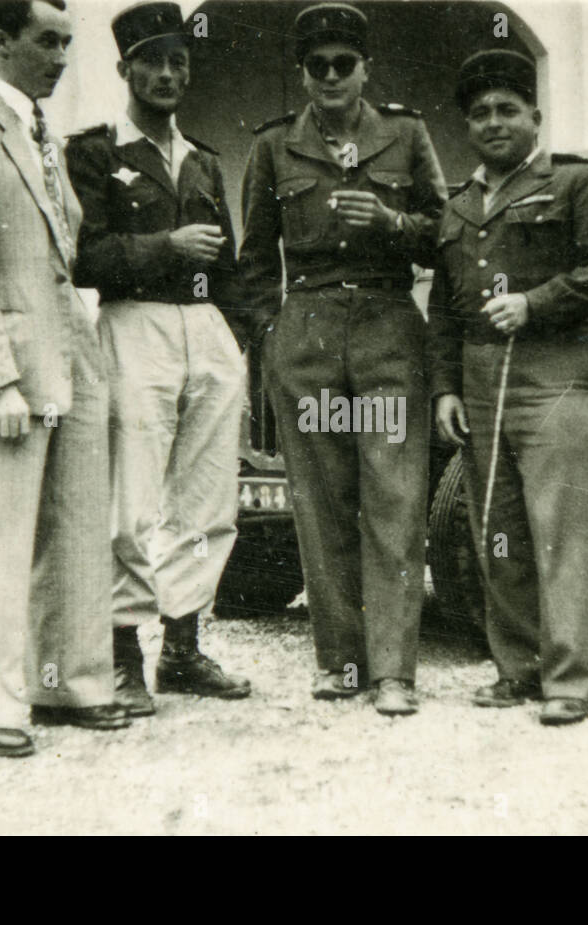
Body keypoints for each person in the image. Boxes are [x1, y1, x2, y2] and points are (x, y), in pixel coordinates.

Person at [0, 0, 131, 758]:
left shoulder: (45, 135)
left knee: (75, 533)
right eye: (46, 41)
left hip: (67, 361)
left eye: (69, 42)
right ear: (2, 42)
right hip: (3, 372)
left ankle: (67, 681)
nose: (61, 56)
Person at [237, 2, 447, 716]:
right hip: (310, 336)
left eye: (343, 64)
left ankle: (394, 671)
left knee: (393, 497)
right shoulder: (274, 147)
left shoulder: (407, 135)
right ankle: (341, 662)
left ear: (365, 69)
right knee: (321, 502)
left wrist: (391, 222)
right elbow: (254, 259)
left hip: (390, 329)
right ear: (302, 74)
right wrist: (272, 338)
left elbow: (444, 236)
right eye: (317, 65)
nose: (331, 76)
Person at [429, 49, 588, 726]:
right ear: (468, 125)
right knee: (498, 527)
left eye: (507, 109)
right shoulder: (458, 206)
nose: (493, 122)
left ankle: (569, 678)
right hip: (483, 378)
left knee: (563, 526)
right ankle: (517, 666)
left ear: (534, 117)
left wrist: (536, 303)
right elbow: (444, 306)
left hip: (556, 370)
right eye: (480, 112)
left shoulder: (579, 181)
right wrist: (446, 388)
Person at [65, 1, 251, 716]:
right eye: (153, 61)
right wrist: (163, 249)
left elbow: (228, 262)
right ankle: (120, 656)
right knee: (131, 496)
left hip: (204, 329)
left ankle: (182, 647)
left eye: (179, 61)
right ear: (125, 69)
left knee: (204, 495)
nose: (168, 73)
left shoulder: (202, 157)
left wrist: (232, 333)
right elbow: (82, 257)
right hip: (133, 325)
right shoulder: (96, 151)